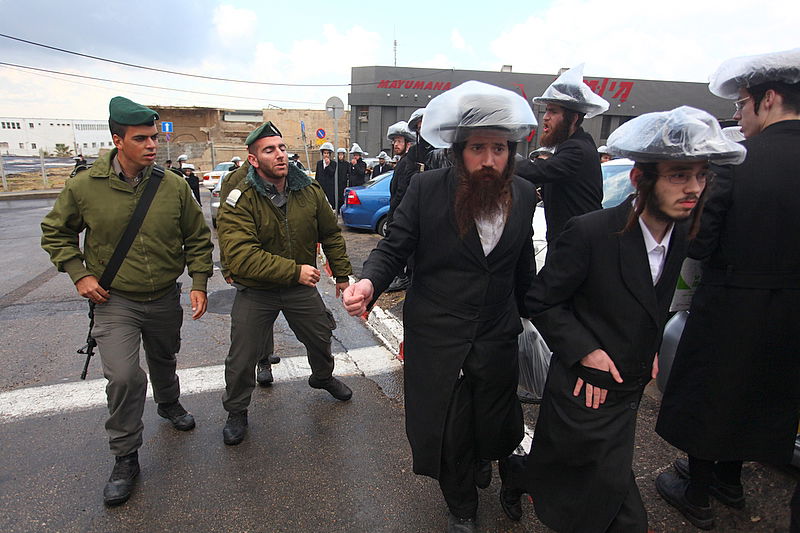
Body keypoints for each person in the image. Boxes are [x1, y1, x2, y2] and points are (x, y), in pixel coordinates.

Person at [498, 106, 745, 532]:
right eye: (679, 175)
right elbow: (541, 300)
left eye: (702, 176)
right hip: (583, 388)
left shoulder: (685, 234)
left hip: (628, 388)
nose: (694, 188)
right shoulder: (591, 233)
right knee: (614, 510)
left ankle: (520, 474)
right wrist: (585, 352)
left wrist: (649, 349)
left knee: (576, 476)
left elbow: (656, 302)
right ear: (640, 180)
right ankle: (525, 476)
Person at [343, 81, 538, 533]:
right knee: (449, 430)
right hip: (438, 335)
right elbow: (394, 247)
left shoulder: (524, 195)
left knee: (495, 421)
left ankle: (487, 462)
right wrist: (369, 283)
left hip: (495, 334)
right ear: (458, 151)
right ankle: (462, 507)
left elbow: (522, 272)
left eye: (498, 148)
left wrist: (559, 323)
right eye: (477, 148)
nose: (489, 160)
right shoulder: (428, 189)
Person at [40, 96, 214, 506]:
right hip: (115, 299)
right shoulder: (85, 186)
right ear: (118, 140)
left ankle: (169, 403)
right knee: (123, 376)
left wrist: (200, 281)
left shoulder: (172, 185)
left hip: (164, 297)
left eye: (154, 137)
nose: (152, 145)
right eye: (141, 138)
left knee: (164, 355)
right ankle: (125, 456)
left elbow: (198, 237)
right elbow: (55, 232)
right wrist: (79, 273)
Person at [655, 48, 800, 531]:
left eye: (741, 104)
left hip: (731, 300)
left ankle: (696, 492)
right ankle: (730, 481)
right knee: (761, 393)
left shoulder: (736, 162)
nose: (736, 114)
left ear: (769, 99)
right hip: (791, 308)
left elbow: (700, 245)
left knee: (710, 393)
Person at [217, 121, 354, 446]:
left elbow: (330, 233)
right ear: (253, 160)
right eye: (269, 150)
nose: (279, 155)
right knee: (242, 356)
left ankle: (322, 378)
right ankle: (237, 410)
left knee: (321, 335)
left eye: (281, 148)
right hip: (258, 288)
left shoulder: (307, 189)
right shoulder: (241, 196)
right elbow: (241, 255)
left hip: (298, 287)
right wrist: (294, 271)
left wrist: (342, 274)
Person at [515, 63, 609, 245]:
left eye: (553, 111)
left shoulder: (577, 149)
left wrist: (500, 159)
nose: (545, 117)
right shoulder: (574, 145)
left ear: (573, 118)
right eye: (547, 110)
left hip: (576, 248)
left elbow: (539, 170)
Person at [218, 159, 281, 385]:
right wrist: (227, 264)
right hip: (249, 258)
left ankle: (265, 355)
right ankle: (261, 361)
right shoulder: (234, 180)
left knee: (271, 311)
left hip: (277, 256)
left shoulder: (282, 174)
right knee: (254, 316)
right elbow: (226, 227)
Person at [314, 142, 339, 208]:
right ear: (322, 154)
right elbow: (317, 175)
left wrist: (328, 165)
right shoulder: (319, 163)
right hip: (321, 186)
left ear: (330, 154)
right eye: (325, 153)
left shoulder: (333, 163)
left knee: (330, 203)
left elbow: (332, 173)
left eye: (327, 153)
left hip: (330, 187)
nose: (326, 155)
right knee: (320, 202)